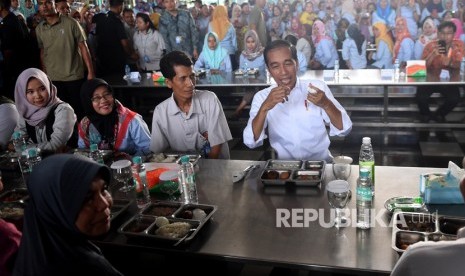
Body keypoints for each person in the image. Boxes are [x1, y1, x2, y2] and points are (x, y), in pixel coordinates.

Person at [12, 154, 123, 275]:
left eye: (104, 189)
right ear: (55, 207)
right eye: (87, 198)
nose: (104, 204)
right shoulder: (86, 266)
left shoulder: (33, 249)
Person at [243, 40, 352, 162]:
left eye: (288, 63)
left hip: (321, 165)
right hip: (285, 169)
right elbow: (250, 141)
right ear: (268, 70)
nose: (283, 72)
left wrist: (326, 104)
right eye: (275, 66)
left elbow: (345, 129)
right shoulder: (262, 97)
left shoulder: (316, 88)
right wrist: (265, 107)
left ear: (297, 64)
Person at [150, 51, 232, 159]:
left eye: (192, 76)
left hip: (215, 168)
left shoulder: (209, 100)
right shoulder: (161, 112)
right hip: (182, 172)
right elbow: (157, 153)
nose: (191, 84)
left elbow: (216, 147)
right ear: (168, 82)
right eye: (182, 78)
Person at [36, 0, 95, 121]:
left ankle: (82, 138)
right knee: (60, 115)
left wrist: (90, 72)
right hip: (53, 79)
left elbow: (83, 47)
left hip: (74, 77)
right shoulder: (39, 29)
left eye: (47, 3)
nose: (44, 6)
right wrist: (44, 74)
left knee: (78, 112)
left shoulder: (71, 23)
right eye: (41, 4)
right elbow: (43, 52)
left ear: (54, 5)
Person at [78, 78, 151, 156]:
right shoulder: (85, 124)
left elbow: (147, 148)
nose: (103, 100)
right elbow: (83, 151)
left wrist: (130, 161)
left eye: (107, 94)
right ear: (88, 102)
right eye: (96, 98)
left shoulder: (132, 120)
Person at [14, 68, 77, 152]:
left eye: (42, 89)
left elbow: (56, 145)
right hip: (37, 162)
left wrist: (25, 148)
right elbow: (17, 141)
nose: (37, 96)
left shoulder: (63, 110)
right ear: (22, 94)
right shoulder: (26, 112)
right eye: (30, 92)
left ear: (49, 86)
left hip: (65, 161)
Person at [415, 20, 465, 123]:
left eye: (448, 33)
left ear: (454, 34)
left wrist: (450, 63)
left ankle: (439, 114)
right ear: (438, 33)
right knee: (420, 97)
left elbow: (461, 64)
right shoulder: (430, 45)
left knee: (454, 98)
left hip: (450, 82)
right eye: (442, 33)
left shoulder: (459, 45)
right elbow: (421, 67)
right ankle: (426, 115)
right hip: (430, 80)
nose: (445, 36)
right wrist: (432, 55)